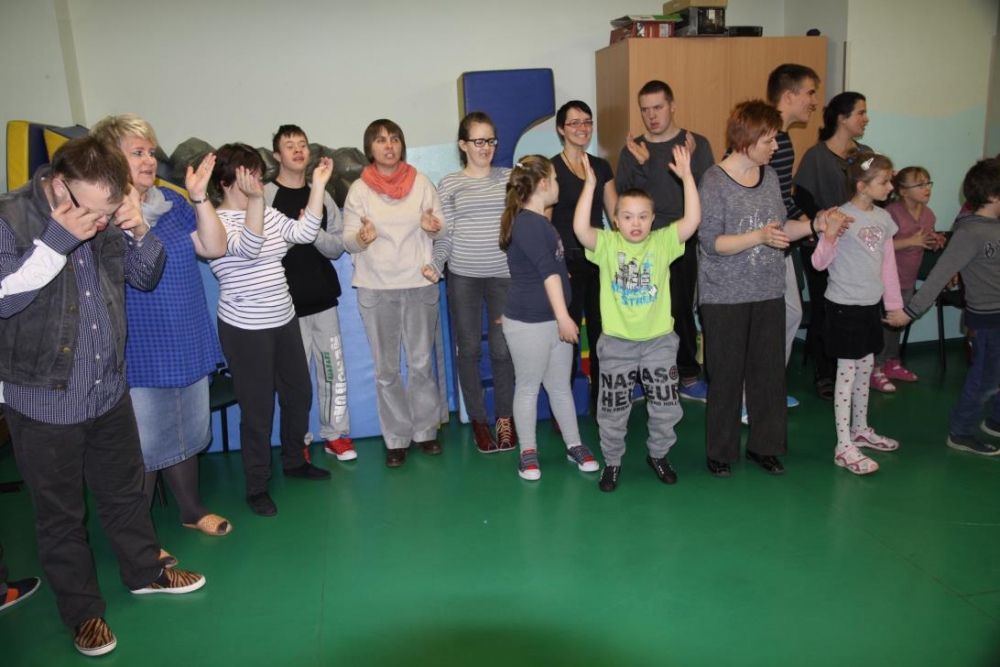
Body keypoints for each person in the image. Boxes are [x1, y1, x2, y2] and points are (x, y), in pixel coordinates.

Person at [0, 136, 205, 657]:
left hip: (107, 386)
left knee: (124, 494)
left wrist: (138, 230)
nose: (98, 222)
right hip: (44, 398)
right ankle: (84, 614)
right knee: (61, 516)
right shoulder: (10, 218)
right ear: (59, 185)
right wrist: (56, 241)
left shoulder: (107, 211)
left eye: (107, 212)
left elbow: (144, 277)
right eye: (91, 212)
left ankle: (145, 572)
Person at [90, 114, 232, 538]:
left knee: (185, 431)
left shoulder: (170, 204)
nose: (149, 160)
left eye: (151, 152)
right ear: (110, 158)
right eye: (137, 152)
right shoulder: (102, 217)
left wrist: (199, 197)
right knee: (143, 446)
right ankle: (139, 539)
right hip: (140, 348)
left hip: (186, 337)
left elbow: (215, 246)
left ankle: (191, 509)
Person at [698, 101, 836, 478]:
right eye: (769, 140)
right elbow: (712, 242)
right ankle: (720, 452)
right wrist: (758, 237)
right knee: (726, 376)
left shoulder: (771, 177)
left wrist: (815, 225)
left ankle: (766, 447)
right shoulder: (714, 180)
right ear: (747, 139)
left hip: (768, 290)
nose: (776, 147)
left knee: (769, 375)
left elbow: (780, 228)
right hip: (724, 295)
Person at [209, 143, 333, 517]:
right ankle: (257, 485)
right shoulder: (215, 222)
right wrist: (256, 202)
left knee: (299, 394)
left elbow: (305, 232)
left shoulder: (265, 210)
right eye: (249, 173)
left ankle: (294, 460)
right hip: (245, 328)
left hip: (283, 318)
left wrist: (317, 185)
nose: (257, 179)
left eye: (257, 173)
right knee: (258, 410)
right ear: (227, 179)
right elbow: (248, 248)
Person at [573, 146, 700, 492]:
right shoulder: (606, 245)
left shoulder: (662, 242)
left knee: (666, 406)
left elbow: (691, 222)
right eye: (628, 216)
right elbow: (581, 229)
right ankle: (612, 461)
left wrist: (687, 177)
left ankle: (658, 454)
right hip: (617, 343)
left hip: (659, 342)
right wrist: (590, 186)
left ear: (653, 219)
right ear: (615, 220)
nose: (636, 223)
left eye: (643, 216)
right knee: (613, 409)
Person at [343, 119, 447, 468]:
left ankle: (425, 432)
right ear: (369, 148)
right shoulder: (359, 190)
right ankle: (396, 439)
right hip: (376, 288)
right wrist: (361, 238)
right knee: (386, 369)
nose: (389, 146)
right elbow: (348, 239)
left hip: (419, 285)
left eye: (394, 139)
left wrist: (433, 228)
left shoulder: (422, 183)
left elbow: (441, 227)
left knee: (420, 363)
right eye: (380, 140)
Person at [499, 155, 599, 481]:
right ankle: (527, 452)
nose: (558, 184)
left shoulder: (540, 221)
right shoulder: (528, 222)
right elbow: (546, 273)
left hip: (552, 321)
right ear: (543, 184)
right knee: (528, 387)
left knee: (559, 387)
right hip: (532, 323)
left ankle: (574, 444)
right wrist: (564, 317)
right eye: (555, 178)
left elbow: (551, 267)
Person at [616, 80, 714, 402]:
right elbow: (625, 201)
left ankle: (687, 376)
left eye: (658, 107)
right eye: (645, 110)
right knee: (640, 311)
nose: (651, 116)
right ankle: (640, 379)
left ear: (672, 106)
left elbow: (706, 196)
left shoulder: (695, 144)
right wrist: (641, 166)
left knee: (680, 310)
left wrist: (690, 164)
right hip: (642, 246)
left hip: (682, 241)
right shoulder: (633, 150)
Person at [425, 112, 516, 453]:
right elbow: (444, 236)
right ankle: (479, 420)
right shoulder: (449, 183)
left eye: (490, 140)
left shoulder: (510, 178)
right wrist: (436, 264)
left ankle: (505, 419)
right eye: (478, 141)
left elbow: (528, 220)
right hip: (463, 277)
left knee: (502, 350)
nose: (486, 147)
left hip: (503, 275)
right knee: (470, 349)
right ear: (463, 145)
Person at [812, 153, 906, 475]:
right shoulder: (840, 216)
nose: (890, 187)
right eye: (884, 182)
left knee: (866, 367)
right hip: (843, 306)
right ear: (862, 186)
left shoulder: (883, 218)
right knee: (847, 373)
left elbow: (888, 265)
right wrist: (829, 233)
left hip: (869, 306)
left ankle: (860, 429)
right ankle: (843, 445)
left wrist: (894, 304)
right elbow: (819, 263)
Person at [265, 125, 355, 461]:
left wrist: (313, 232)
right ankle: (297, 441)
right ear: (278, 155)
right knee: (295, 380)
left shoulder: (322, 195)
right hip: (284, 307)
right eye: (290, 146)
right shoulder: (265, 196)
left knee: (333, 372)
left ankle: (335, 435)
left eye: (302, 144)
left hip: (323, 300)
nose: (298, 150)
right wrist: (296, 232)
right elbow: (260, 248)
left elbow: (336, 247)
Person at [900, 158, 1000, 456]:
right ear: (993, 195)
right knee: (985, 378)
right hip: (986, 320)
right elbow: (940, 275)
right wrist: (910, 311)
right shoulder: (970, 232)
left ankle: (995, 422)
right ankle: (962, 432)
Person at [794, 92, 873, 400]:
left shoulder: (866, 155)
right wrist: (823, 223)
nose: (866, 119)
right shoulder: (816, 156)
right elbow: (802, 197)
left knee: (854, 308)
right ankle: (824, 372)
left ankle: (852, 368)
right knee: (824, 307)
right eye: (860, 113)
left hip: (856, 248)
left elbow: (875, 191)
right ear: (842, 118)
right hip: (822, 244)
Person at [549, 100, 618, 414]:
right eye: (574, 122)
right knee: (569, 335)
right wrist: (555, 265)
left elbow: (615, 215)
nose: (582, 128)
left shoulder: (601, 167)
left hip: (599, 258)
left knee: (604, 332)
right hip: (567, 262)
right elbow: (546, 223)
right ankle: (564, 405)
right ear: (561, 129)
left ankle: (603, 399)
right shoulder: (552, 168)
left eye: (587, 122)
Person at [766, 63, 821, 409]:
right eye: (810, 93)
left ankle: (768, 387)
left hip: (780, 242)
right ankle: (755, 395)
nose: (814, 101)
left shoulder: (783, 140)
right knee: (777, 318)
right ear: (789, 96)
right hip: (764, 245)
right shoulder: (769, 139)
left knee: (790, 314)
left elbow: (782, 196)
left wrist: (809, 221)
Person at [873, 166, 944, 391]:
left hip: (908, 279)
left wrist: (935, 241)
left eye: (928, 183)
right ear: (903, 191)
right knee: (885, 326)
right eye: (920, 184)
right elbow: (878, 246)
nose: (926, 188)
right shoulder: (891, 213)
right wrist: (911, 241)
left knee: (898, 324)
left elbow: (924, 240)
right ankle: (875, 368)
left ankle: (891, 363)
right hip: (887, 280)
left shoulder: (928, 214)